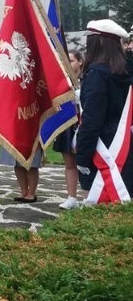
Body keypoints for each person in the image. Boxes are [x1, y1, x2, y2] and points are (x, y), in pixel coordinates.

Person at [75, 19, 133, 203]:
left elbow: (91, 121)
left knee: (103, 204)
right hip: (126, 145)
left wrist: (82, 157)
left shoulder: (97, 74)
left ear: (98, 42)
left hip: (104, 150)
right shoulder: (126, 71)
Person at [54, 50, 83, 209]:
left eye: (71, 60)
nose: (69, 64)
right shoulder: (63, 82)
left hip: (84, 125)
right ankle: (71, 196)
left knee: (85, 163)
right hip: (67, 125)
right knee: (69, 163)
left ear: (80, 62)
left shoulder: (88, 79)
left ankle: (89, 195)